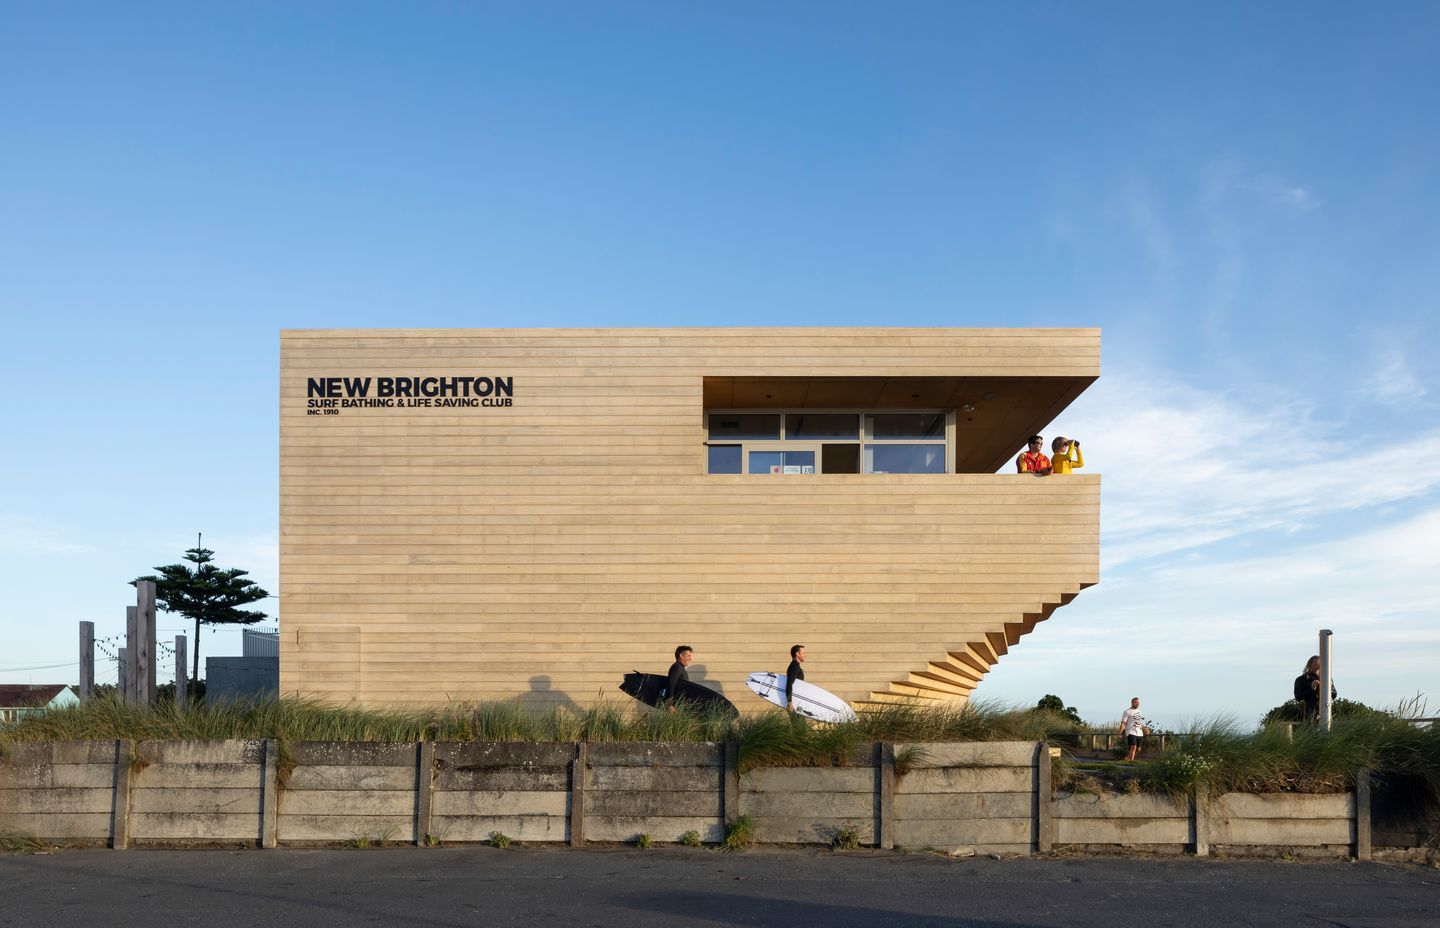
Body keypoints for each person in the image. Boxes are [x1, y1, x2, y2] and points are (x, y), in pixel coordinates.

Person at [1293, 656, 1337, 722]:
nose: (1317, 665)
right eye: (1314, 663)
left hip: (1326, 710)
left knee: (1328, 730)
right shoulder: (1301, 679)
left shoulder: (1327, 679)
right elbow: (1298, 697)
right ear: (1309, 664)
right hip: (1310, 712)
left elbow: (1334, 695)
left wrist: (1327, 688)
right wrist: (1312, 689)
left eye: (1319, 663)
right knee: (1312, 730)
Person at [1117, 697, 1148, 761]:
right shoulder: (1127, 711)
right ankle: (1131, 762)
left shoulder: (1139, 711)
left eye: (1139, 703)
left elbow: (1139, 722)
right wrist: (1119, 733)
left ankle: (1127, 758)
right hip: (1130, 731)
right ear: (1132, 702)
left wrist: (1145, 729)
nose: (1138, 704)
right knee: (1133, 747)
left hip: (1139, 732)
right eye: (1136, 702)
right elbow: (1123, 723)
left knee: (1138, 749)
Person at [666, 645, 693, 711]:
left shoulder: (680, 667)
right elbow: (671, 685)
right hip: (675, 705)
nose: (690, 658)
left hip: (679, 704)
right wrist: (670, 705)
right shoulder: (677, 668)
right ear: (681, 656)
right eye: (688, 656)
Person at [785, 644, 806, 712]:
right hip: (794, 703)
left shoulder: (795, 665)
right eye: (803, 653)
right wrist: (789, 702)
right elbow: (789, 683)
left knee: (799, 722)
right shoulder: (794, 666)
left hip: (796, 701)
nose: (805, 655)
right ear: (797, 654)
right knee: (799, 722)